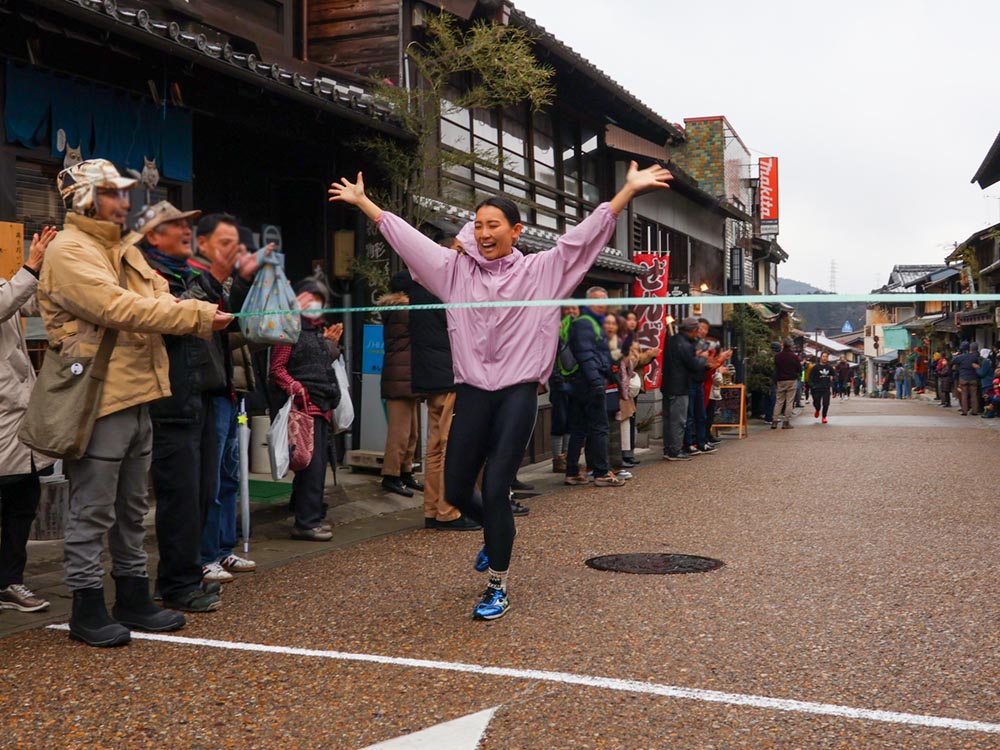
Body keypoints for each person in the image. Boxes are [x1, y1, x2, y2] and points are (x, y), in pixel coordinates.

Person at [329, 159, 672, 621]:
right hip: (471, 391)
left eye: (494, 225)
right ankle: (496, 534)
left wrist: (624, 195)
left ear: (515, 230)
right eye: (478, 225)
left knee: (494, 487)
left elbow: (582, 240)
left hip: (517, 393)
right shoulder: (453, 272)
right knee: (453, 489)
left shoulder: (543, 271)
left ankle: (497, 585)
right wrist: (365, 203)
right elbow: (410, 243)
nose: (485, 233)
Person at [40, 159, 229, 647]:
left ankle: (132, 596)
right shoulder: (67, 249)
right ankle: (86, 604)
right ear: (84, 199)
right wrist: (196, 314)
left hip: (141, 390)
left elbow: (157, 295)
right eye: (113, 193)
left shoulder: (122, 248)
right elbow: (114, 306)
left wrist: (181, 309)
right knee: (93, 508)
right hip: (98, 394)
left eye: (125, 193)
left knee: (131, 507)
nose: (125, 202)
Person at [139, 202, 228, 613]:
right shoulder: (146, 275)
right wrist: (212, 281)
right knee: (179, 495)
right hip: (172, 400)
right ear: (152, 235)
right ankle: (175, 584)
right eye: (177, 225)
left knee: (202, 492)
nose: (187, 230)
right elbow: (170, 318)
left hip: (204, 394)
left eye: (189, 223)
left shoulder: (189, 273)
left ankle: (188, 576)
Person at [191, 215, 261, 583]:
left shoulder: (224, 280)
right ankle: (205, 555)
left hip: (231, 388)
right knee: (212, 480)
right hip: (210, 388)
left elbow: (235, 324)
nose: (234, 250)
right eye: (226, 242)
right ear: (202, 243)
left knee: (229, 475)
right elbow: (216, 327)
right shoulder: (194, 278)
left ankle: (222, 549)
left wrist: (247, 279)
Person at [0, 226, 57, 615]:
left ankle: (10, 582)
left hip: (18, 411)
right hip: (3, 413)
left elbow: (24, 304)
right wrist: (31, 267)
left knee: (23, 501)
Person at [408, 237, 480, 531]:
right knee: (451, 446)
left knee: (435, 447)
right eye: (460, 251)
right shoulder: (447, 283)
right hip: (450, 373)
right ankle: (448, 511)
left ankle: (432, 508)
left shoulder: (416, 282)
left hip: (427, 374)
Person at [269, 277, 342, 541]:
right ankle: (306, 523)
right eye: (309, 299)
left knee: (315, 465)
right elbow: (276, 369)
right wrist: (295, 387)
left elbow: (320, 361)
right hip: (303, 408)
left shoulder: (316, 330)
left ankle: (310, 515)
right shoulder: (287, 327)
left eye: (319, 301)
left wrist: (331, 347)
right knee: (310, 466)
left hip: (322, 405)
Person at [564, 288, 624, 487]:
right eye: (596, 300)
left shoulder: (591, 323)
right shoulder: (585, 324)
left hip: (582, 382)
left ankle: (572, 472)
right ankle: (601, 472)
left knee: (580, 429)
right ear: (588, 302)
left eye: (604, 300)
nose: (601, 304)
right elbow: (586, 355)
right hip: (589, 382)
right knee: (599, 428)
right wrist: (598, 381)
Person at [377, 272, 424, 498]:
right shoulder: (403, 310)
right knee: (400, 432)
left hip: (406, 376)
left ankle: (405, 472)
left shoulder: (398, 309)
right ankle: (391, 475)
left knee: (412, 431)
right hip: (401, 377)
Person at [661, 317, 711, 459]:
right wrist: (702, 357)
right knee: (678, 420)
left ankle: (668, 448)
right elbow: (694, 366)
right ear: (693, 330)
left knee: (668, 420)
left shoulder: (671, 340)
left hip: (667, 385)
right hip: (680, 386)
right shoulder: (685, 345)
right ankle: (675, 450)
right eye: (697, 330)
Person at [548, 306, 578, 473]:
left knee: (571, 420)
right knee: (559, 419)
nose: (571, 312)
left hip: (574, 379)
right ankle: (557, 458)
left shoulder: (577, 330)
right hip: (559, 380)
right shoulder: (555, 331)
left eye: (574, 309)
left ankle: (567, 455)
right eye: (568, 309)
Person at [771, 339, 800, 429]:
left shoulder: (777, 356)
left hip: (780, 380)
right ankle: (786, 422)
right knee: (789, 401)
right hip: (791, 380)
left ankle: (774, 421)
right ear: (791, 346)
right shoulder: (794, 357)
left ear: (783, 345)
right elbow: (799, 368)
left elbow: (775, 367)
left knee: (779, 401)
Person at [952, 341, 980, 415]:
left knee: (964, 394)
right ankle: (975, 410)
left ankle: (964, 410)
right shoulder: (974, 357)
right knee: (974, 394)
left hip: (963, 377)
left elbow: (953, 361)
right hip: (973, 377)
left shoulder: (961, 357)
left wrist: (956, 355)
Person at [808, 352, 835, 423]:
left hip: (826, 388)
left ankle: (824, 417)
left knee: (826, 403)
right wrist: (812, 386)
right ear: (821, 357)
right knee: (816, 403)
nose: (825, 358)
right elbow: (810, 378)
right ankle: (817, 410)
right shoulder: (815, 367)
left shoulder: (829, 367)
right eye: (823, 356)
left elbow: (835, 376)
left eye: (826, 356)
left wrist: (833, 379)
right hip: (816, 389)